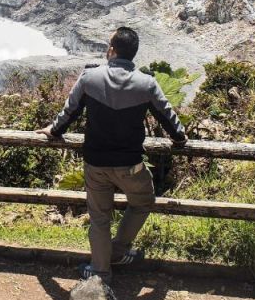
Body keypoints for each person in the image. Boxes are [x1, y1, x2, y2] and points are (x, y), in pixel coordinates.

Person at [38, 26, 188, 281]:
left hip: (95, 162)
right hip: (130, 164)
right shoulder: (147, 84)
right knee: (143, 203)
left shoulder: (89, 78)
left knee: (99, 218)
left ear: (111, 50)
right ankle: (118, 251)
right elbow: (167, 117)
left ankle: (100, 271)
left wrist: (53, 131)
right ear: (133, 54)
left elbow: (68, 114)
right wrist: (180, 138)